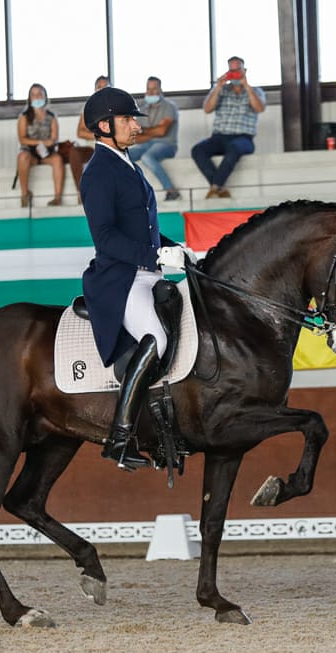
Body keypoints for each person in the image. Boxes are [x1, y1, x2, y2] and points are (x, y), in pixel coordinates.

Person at [79, 86, 194, 470]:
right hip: (121, 279)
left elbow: (144, 229)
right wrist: (155, 254)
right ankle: (120, 436)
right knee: (158, 339)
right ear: (104, 125)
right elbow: (106, 238)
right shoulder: (97, 172)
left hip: (148, 271)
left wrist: (177, 248)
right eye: (128, 119)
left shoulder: (129, 163)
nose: (135, 125)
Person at [191, 56, 266, 199]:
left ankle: (214, 187)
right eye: (232, 71)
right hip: (219, 137)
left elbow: (260, 108)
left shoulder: (256, 91)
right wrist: (218, 86)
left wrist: (246, 86)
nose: (235, 74)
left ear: (245, 70)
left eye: (238, 70)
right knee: (197, 150)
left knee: (234, 148)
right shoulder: (221, 90)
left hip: (243, 138)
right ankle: (220, 187)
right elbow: (207, 109)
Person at [128, 76, 181, 201]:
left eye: (154, 89)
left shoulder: (169, 106)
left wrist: (144, 130)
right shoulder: (142, 110)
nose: (150, 92)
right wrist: (155, 131)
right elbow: (136, 138)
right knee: (123, 156)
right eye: (148, 89)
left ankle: (171, 190)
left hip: (166, 145)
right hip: (145, 145)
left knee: (147, 157)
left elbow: (162, 132)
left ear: (160, 89)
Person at [16, 83, 64, 207]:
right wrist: (39, 142)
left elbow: (54, 138)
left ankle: (57, 197)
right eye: (33, 95)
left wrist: (49, 143)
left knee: (58, 160)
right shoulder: (24, 117)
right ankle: (25, 194)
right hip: (29, 154)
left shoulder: (51, 117)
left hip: (46, 154)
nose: (36, 97)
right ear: (29, 98)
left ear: (45, 97)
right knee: (22, 157)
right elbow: (22, 139)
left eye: (39, 94)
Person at [77, 75, 111, 143]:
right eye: (99, 87)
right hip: (95, 144)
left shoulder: (118, 105)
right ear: (95, 90)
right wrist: (100, 137)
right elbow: (80, 132)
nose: (102, 89)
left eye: (105, 86)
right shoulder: (88, 107)